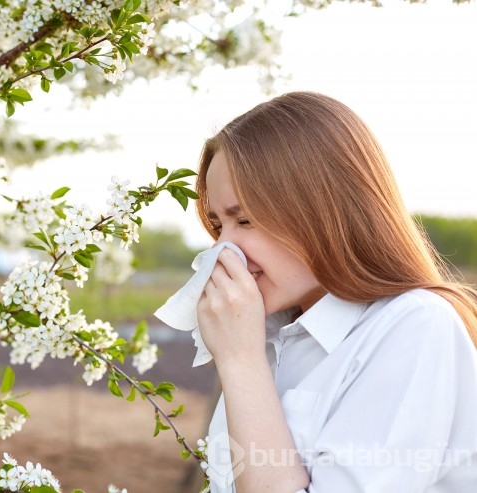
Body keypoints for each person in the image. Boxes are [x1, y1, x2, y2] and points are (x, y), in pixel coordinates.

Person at [194, 91, 477, 493]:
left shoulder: (414, 326)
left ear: (324, 210)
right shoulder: (271, 336)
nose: (225, 250)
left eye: (246, 219)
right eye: (218, 226)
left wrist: (241, 362)